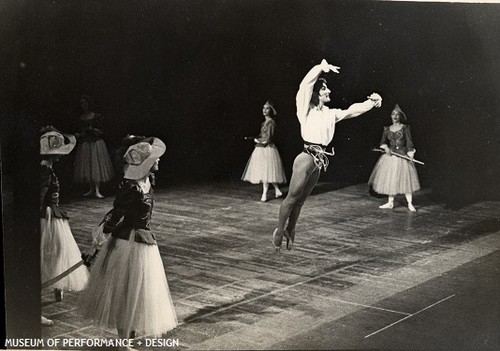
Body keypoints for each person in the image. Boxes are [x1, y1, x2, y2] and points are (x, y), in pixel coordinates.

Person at [272, 59, 382, 251]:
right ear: (316, 93)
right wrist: (319, 68)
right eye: (324, 89)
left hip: (318, 161)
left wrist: (371, 103)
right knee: (292, 197)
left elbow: (351, 111)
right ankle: (279, 230)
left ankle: (291, 228)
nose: (328, 91)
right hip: (306, 158)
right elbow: (304, 86)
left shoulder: (330, 113)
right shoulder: (305, 110)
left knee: (301, 201)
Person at [79, 136, 177, 347]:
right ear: (146, 163)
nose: (158, 161)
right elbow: (116, 214)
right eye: (154, 159)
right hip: (128, 242)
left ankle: (128, 338)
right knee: (125, 292)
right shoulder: (130, 187)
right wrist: (99, 239)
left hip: (143, 241)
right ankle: (123, 341)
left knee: (138, 292)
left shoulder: (148, 181)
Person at [40, 126, 90, 312]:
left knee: (56, 252)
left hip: (53, 214)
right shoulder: (44, 170)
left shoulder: (47, 168)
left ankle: (57, 288)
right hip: (47, 217)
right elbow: (40, 196)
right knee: (50, 253)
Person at [368, 104, 420, 212]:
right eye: (393, 114)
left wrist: (410, 155)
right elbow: (382, 142)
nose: (395, 116)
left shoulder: (405, 128)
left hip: (402, 156)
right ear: (391, 116)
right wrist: (386, 148)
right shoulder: (387, 129)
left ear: (400, 116)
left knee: (406, 180)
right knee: (390, 180)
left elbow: (409, 143)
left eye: (397, 114)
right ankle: (390, 203)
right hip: (390, 157)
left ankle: (410, 203)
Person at [241, 100, 287, 202]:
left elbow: (269, 138)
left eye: (267, 108)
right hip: (261, 149)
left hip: (268, 149)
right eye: (263, 108)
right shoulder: (264, 123)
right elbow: (262, 135)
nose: (264, 110)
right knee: (265, 171)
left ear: (271, 110)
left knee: (266, 172)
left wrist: (258, 140)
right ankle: (277, 190)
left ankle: (264, 194)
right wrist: (256, 138)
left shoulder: (271, 122)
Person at [73, 94, 114, 198]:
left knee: (96, 166)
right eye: (81, 103)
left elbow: (101, 131)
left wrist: (93, 130)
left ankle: (97, 190)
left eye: (85, 102)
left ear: (89, 103)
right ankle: (91, 189)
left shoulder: (96, 116)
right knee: (88, 167)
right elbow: (81, 131)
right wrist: (79, 134)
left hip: (95, 143)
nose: (83, 105)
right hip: (86, 143)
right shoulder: (81, 117)